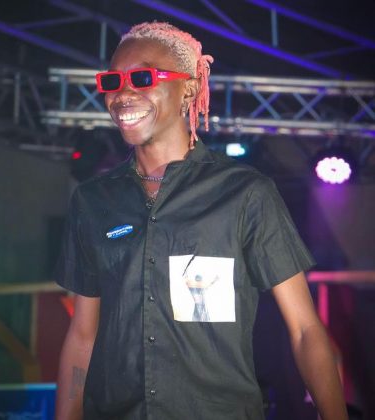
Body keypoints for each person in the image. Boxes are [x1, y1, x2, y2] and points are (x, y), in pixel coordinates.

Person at [54, 21, 348, 420]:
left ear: (189, 89)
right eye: (112, 81)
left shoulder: (244, 193)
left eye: (142, 78)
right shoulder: (93, 201)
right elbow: (82, 336)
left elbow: (305, 330)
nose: (123, 94)